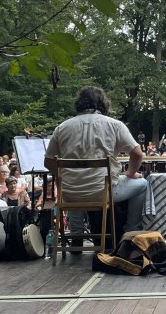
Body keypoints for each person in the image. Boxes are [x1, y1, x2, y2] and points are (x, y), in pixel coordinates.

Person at [45, 86, 148, 247]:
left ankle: (76, 236)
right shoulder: (115, 125)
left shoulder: (62, 128)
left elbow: (48, 162)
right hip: (103, 192)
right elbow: (137, 154)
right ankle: (130, 230)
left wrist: (64, 176)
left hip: (71, 193)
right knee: (142, 184)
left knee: (75, 186)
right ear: (102, 104)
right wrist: (129, 173)